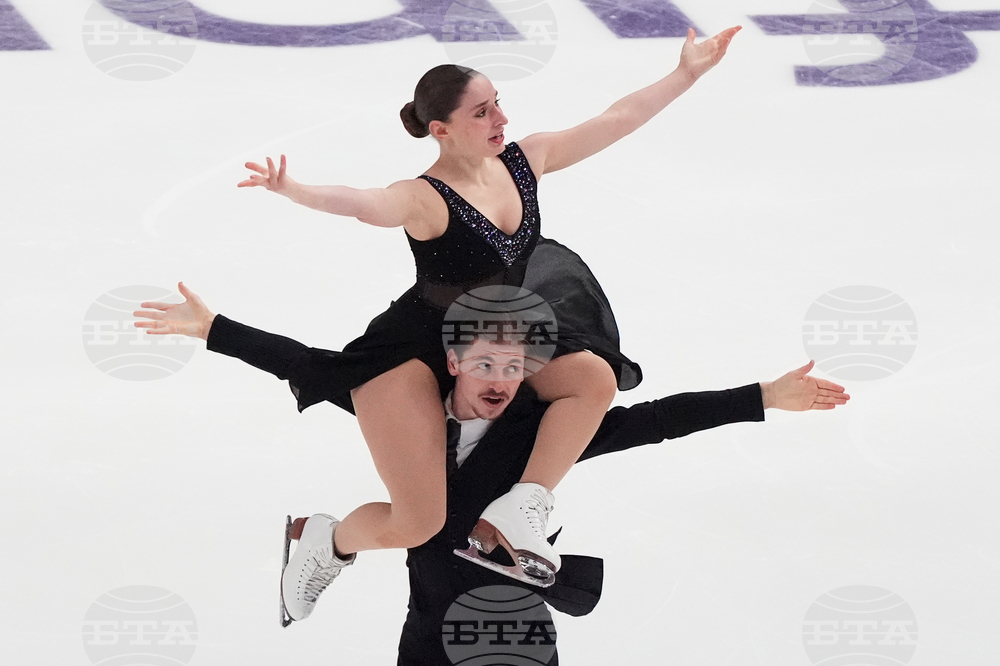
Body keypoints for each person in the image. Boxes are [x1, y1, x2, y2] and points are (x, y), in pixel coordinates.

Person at [225, 26, 742, 593]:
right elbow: (366, 205)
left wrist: (687, 73)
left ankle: (526, 507)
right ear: (441, 130)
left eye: (498, 103)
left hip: (498, 333)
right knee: (420, 521)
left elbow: (615, 119)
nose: (500, 119)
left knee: (593, 378)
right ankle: (322, 541)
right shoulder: (425, 197)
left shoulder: (526, 161)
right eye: (482, 112)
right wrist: (296, 190)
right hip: (418, 349)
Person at [133, 285, 848, 664]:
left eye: (514, 368)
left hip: (518, 634)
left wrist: (763, 397)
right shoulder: (404, 418)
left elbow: (653, 421)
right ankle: (325, 538)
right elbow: (308, 363)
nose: (500, 379)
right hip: (430, 631)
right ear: (452, 363)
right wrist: (212, 327)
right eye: (485, 365)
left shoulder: (542, 436)